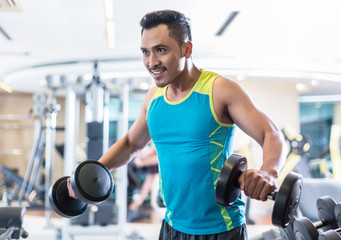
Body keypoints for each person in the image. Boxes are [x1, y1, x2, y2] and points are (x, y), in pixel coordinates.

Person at [68, 9, 286, 239]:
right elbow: (131, 144)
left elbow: (270, 134)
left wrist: (269, 172)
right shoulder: (153, 99)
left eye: (161, 50)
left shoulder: (218, 90)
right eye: (145, 52)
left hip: (221, 229)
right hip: (172, 226)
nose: (152, 62)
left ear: (186, 49)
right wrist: (91, 175)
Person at [128, 145, 159, 212]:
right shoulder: (153, 164)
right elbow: (149, 181)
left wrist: (142, 163)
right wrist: (139, 201)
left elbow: (161, 158)